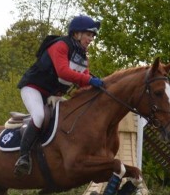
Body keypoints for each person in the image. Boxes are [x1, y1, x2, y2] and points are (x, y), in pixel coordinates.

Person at [14, 15, 105, 175]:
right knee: (40, 116)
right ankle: (23, 157)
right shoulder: (61, 45)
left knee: (70, 116)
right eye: (88, 35)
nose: (91, 39)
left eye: (92, 36)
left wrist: (99, 89)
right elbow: (63, 71)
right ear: (77, 34)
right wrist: (90, 80)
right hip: (33, 88)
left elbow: (84, 82)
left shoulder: (83, 56)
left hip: (52, 95)